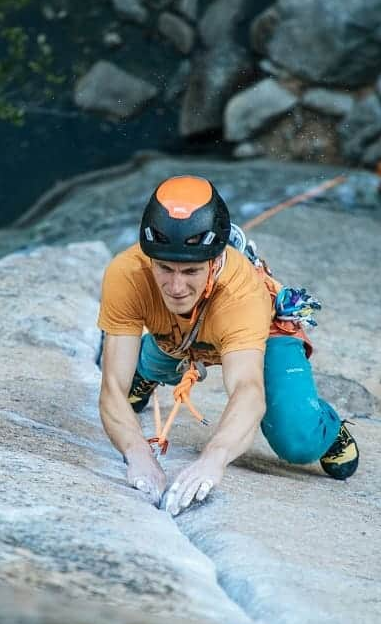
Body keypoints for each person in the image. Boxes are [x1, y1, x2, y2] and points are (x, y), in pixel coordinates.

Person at [97, 175, 358, 517]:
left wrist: (212, 460)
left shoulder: (243, 292)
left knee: (298, 440)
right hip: (177, 334)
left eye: (191, 270)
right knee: (132, 381)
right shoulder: (127, 273)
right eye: (164, 267)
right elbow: (112, 387)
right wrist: (137, 454)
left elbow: (248, 391)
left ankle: (326, 427)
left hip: (258, 331)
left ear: (214, 260)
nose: (175, 285)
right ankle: (151, 364)